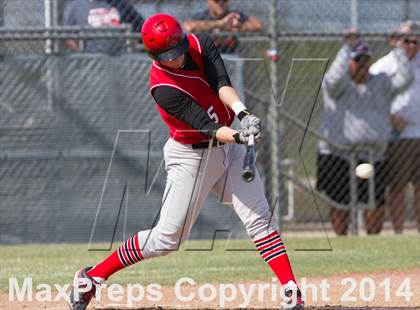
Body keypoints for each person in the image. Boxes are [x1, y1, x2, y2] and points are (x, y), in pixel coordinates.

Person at [67, 14, 303, 310]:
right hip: (191, 157)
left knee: (259, 217)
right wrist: (242, 138)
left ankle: (291, 289)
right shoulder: (162, 87)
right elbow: (206, 126)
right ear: (153, 55)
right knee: (166, 240)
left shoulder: (200, 44)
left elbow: (222, 84)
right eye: (167, 55)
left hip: (228, 146)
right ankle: (91, 278)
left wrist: (244, 114)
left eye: (177, 49)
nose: (176, 58)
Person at [317, 31, 413, 236]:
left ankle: (372, 241)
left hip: (374, 155)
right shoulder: (338, 85)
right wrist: (346, 48)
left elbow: (406, 78)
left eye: (366, 60)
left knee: (376, 203)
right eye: (357, 60)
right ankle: (342, 241)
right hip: (338, 153)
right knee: (340, 203)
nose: (362, 64)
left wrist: (399, 50)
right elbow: (333, 78)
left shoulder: (380, 82)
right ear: (348, 62)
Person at [370, 21, 420, 234]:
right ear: (395, 40)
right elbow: (368, 99)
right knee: (398, 185)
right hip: (397, 135)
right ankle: (398, 231)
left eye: (416, 41)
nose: (412, 45)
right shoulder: (383, 66)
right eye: (407, 40)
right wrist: (388, 116)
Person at [63, 0, 144, 54]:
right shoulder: (77, 5)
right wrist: (82, 56)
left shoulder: (120, 3)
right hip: (91, 63)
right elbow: (67, 35)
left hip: (119, 61)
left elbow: (141, 29)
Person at [183, 0, 262, 53]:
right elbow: (189, 26)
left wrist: (239, 27)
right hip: (207, 58)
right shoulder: (203, 16)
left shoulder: (234, 15)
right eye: (216, 0)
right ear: (208, 2)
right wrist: (221, 23)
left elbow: (258, 25)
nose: (221, 3)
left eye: (224, 0)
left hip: (231, 57)